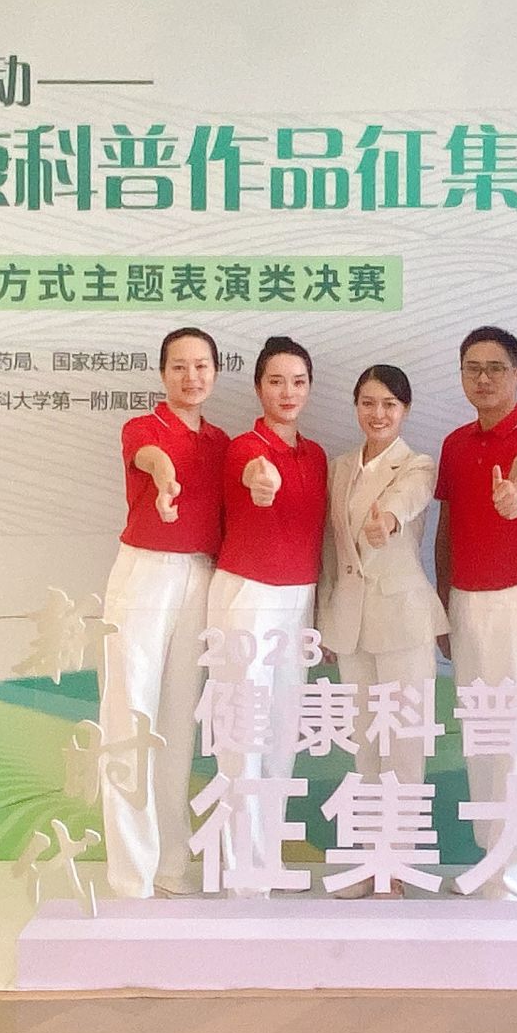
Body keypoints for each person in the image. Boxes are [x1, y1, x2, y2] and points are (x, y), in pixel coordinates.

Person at [97, 327, 227, 900]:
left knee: (179, 720)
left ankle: (172, 862)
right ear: (162, 373)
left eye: (201, 366)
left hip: (201, 574)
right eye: (179, 367)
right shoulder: (142, 428)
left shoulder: (222, 443)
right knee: (131, 715)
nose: (191, 377)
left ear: (215, 372)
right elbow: (148, 458)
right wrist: (164, 473)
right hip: (145, 573)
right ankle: (131, 875)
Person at [434, 326, 517, 899]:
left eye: (495, 368)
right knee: (482, 733)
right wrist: (444, 601)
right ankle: (492, 860)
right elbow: (446, 530)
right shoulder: (456, 444)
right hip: (466, 601)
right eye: (472, 368)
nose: (483, 379)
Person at [206, 335, 330, 895]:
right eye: (276, 381)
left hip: (297, 599)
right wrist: (264, 482)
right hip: (248, 598)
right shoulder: (243, 449)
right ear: (258, 388)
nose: (288, 392)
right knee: (242, 733)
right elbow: (257, 476)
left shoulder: (317, 456)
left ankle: (268, 855)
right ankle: (242, 870)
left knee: (282, 732)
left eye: (298, 382)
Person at [319, 365, 450, 822]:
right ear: (356, 407)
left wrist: (387, 521)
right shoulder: (339, 468)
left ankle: (398, 853)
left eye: (389, 404)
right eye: (368, 403)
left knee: (403, 745)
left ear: (405, 409)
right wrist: (325, 622)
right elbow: (331, 550)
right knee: (365, 744)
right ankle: (371, 849)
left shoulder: (418, 465)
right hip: (350, 623)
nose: (378, 414)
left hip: (402, 622)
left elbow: (406, 500)